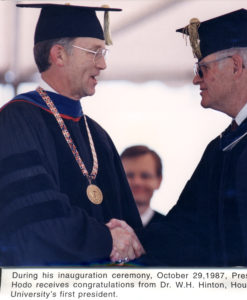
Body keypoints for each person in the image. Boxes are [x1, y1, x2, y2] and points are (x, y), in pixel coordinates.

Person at [139, 9, 247, 266]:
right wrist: (127, 253)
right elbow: (184, 228)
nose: (195, 79)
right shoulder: (222, 146)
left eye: (202, 69)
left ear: (235, 66)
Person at [0, 3, 144, 266]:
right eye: (94, 52)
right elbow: (34, 218)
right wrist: (107, 240)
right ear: (59, 55)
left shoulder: (98, 135)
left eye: (104, 52)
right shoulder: (15, 120)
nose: (102, 64)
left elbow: (132, 228)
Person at [120, 145, 164, 228]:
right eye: (129, 175)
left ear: (159, 181)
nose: (137, 182)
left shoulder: (172, 231)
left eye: (145, 176)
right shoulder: (101, 227)